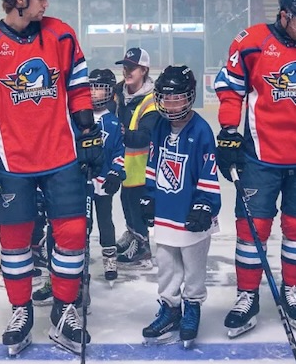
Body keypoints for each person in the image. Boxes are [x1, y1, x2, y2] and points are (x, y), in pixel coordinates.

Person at [0, 0, 103, 356]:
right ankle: (20, 310)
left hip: (61, 155)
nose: (45, 3)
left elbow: (78, 87)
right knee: (15, 240)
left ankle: (64, 310)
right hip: (11, 161)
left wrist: (88, 133)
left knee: (72, 235)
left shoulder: (61, 34)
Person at [214, 0, 296, 337]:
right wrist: (228, 131)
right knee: (252, 228)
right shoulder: (251, 42)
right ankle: (247, 295)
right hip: (260, 157)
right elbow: (231, 91)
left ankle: (292, 289)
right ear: (284, 15)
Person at [140, 66, 220, 348]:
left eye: (178, 99)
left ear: (190, 97)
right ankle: (170, 308)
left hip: (190, 211)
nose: (171, 105)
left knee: (193, 264)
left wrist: (205, 205)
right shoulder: (160, 127)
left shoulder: (201, 130)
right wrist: (149, 195)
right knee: (166, 263)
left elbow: (209, 172)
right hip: (166, 210)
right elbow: (153, 163)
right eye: (166, 99)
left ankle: (192, 306)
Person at [113, 47, 159, 269]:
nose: (127, 71)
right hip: (123, 163)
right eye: (125, 67)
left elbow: (145, 137)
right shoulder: (118, 92)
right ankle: (132, 234)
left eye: (132, 67)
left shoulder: (151, 100)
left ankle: (142, 246)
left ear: (144, 70)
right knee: (126, 201)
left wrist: (121, 134)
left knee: (137, 205)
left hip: (142, 166)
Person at [88, 68, 125, 285]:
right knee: (82, 222)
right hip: (82, 182)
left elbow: (119, 152)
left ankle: (110, 259)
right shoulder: (78, 119)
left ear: (110, 92)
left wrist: (115, 173)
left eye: (99, 88)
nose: (93, 92)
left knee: (105, 221)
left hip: (102, 182)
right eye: (91, 88)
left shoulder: (113, 122)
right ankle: (79, 256)